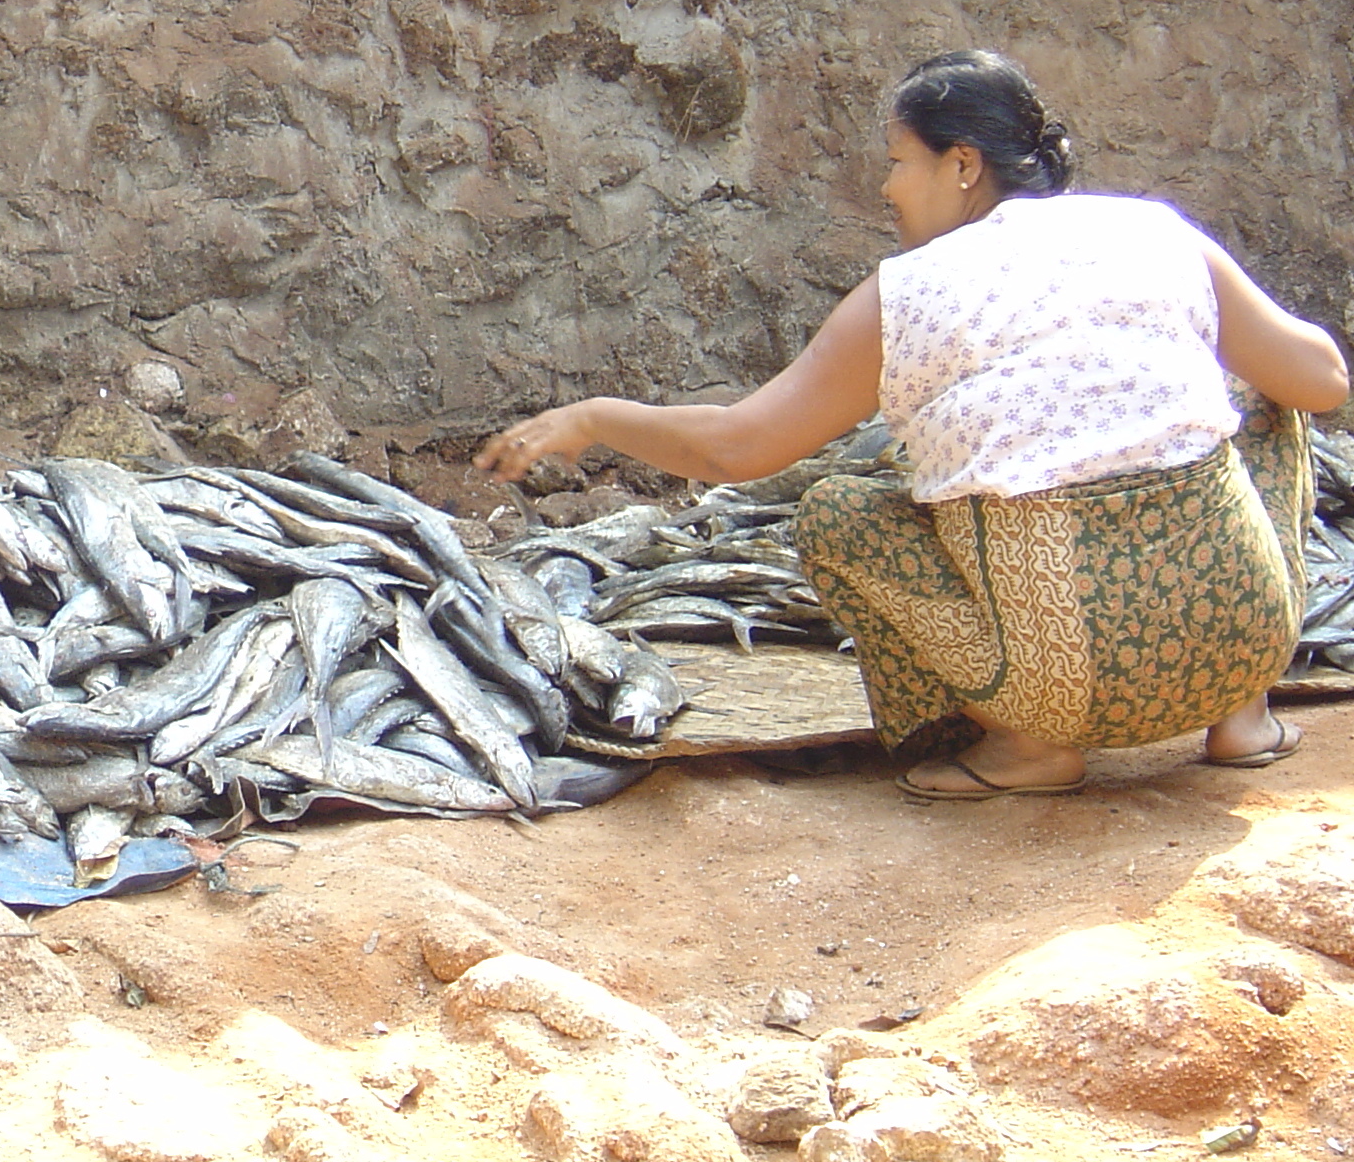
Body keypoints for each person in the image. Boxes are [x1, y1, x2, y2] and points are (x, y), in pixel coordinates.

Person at [475, 50, 1349, 801]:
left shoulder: (909, 294)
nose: (887, 188)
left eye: (898, 161)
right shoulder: (1156, 233)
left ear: (962, 164)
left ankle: (1027, 748)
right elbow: (1324, 381)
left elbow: (735, 448)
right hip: (1246, 641)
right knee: (1273, 396)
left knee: (839, 512)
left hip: (1065, 691)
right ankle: (1243, 716)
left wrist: (591, 417)